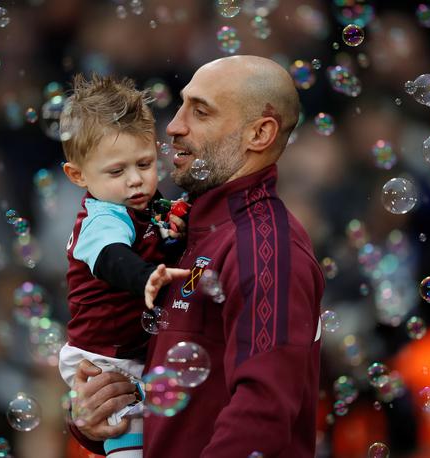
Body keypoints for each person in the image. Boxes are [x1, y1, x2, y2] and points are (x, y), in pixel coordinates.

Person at [68, 55, 325, 457]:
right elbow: (178, 393)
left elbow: (263, 415)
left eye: (200, 111)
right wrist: (100, 416)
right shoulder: (186, 231)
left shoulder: (264, 247)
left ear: (258, 133)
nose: (173, 126)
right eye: (182, 104)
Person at [59, 74, 190, 458]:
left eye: (145, 163)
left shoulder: (147, 202)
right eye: (117, 172)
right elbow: (110, 258)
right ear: (78, 175)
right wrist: (146, 276)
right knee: (128, 442)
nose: (136, 181)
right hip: (105, 360)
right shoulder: (103, 218)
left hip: (135, 351)